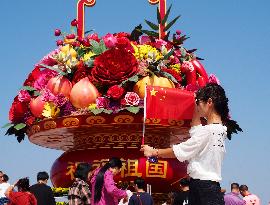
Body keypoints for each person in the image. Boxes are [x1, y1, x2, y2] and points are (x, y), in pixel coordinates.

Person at [141, 83, 242, 205]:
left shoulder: (208, 132)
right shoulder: (221, 130)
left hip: (202, 189)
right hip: (209, 187)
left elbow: (182, 150)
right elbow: (196, 130)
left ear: (209, 102)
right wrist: (196, 104)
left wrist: (154, 152)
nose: (198, 107)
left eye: (199, 103)